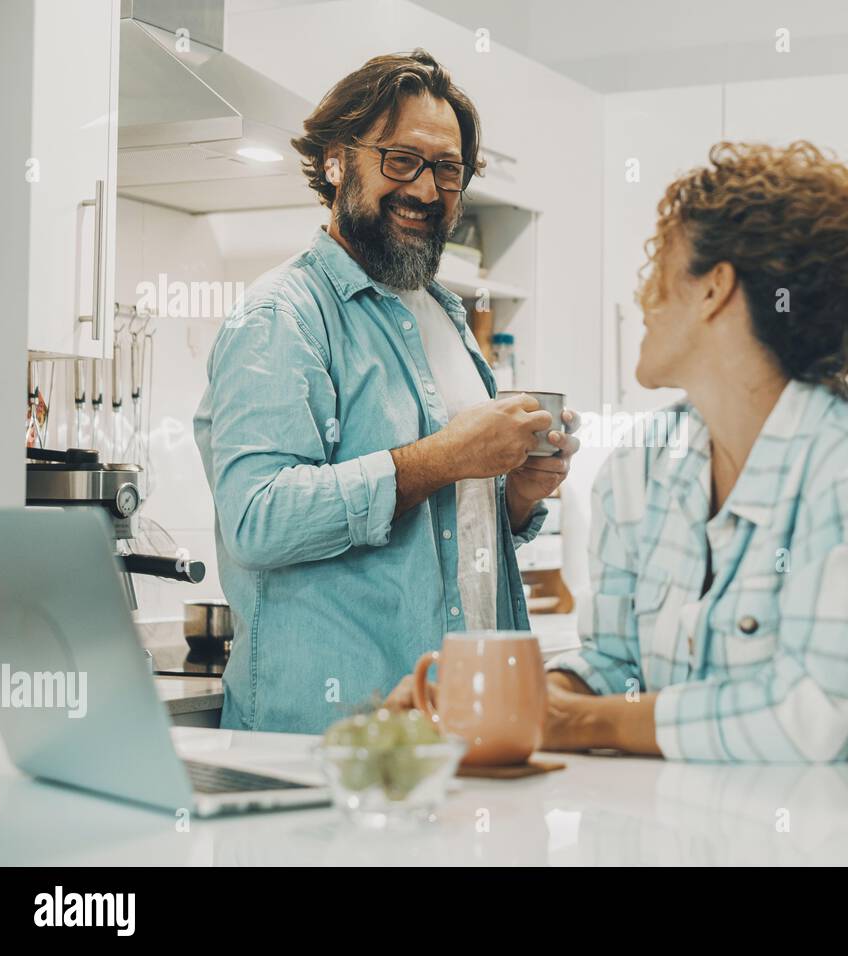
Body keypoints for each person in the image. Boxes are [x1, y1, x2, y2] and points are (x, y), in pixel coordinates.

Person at [539, 140, 848, 775]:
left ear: (715, 289)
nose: (642, 299)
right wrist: (545, 694)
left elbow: (819, 718)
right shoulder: (638, 467)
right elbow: (616, 664)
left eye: (659, 267)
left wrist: (577, 723)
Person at [194, 49, 578, 734]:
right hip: (329, 743)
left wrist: (514, 497)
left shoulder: (446, 313)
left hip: (453, 730)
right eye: (401, 160)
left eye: (448, 170)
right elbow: (257, 520)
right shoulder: (283, 315)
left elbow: (447, 538)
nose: (427, 191)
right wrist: (445, 458)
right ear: (338, 161)